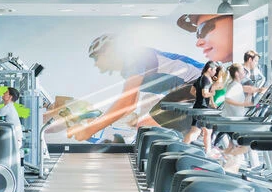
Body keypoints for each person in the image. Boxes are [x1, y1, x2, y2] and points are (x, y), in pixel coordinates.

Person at [68, 33, 202, 141]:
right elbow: (130, 105)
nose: (95, 64)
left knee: (146, 127)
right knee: (148, 127)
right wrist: (95, 123)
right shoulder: (128, 70)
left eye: (96, 58)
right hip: (197, 87)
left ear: (108, 53)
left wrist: (90, 130)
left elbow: (126, 104)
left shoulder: (134, 58)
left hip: (199, 83)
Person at [183, 62, 219, 155]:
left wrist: (200, 97)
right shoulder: (206, 80)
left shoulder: (200, 78)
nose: (215, 72)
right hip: (202, 109)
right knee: (198, 132)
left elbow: (192, 91)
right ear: (209, 69)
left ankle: (207, 152)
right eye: (214, 70)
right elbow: (205, 93)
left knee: (203, 131)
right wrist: (212, 94)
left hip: (199, 106)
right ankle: (183, 148)